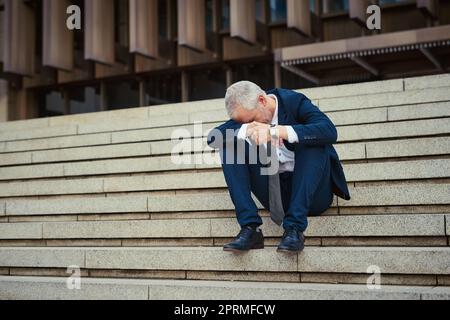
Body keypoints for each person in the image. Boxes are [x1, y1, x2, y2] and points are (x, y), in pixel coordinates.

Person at [207, 81, 351, 253]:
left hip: (314, 194)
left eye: (252, 120)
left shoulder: (294, 101)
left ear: (262, 100)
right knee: (229, 143)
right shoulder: (246, 114)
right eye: (246, 122)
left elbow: (329, 130)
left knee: (313, 140)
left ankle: (294, 229)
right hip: (276, 197)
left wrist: (277, 131)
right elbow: (212, 138)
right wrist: (245, 128)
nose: (252, 125)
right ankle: (250, 228)